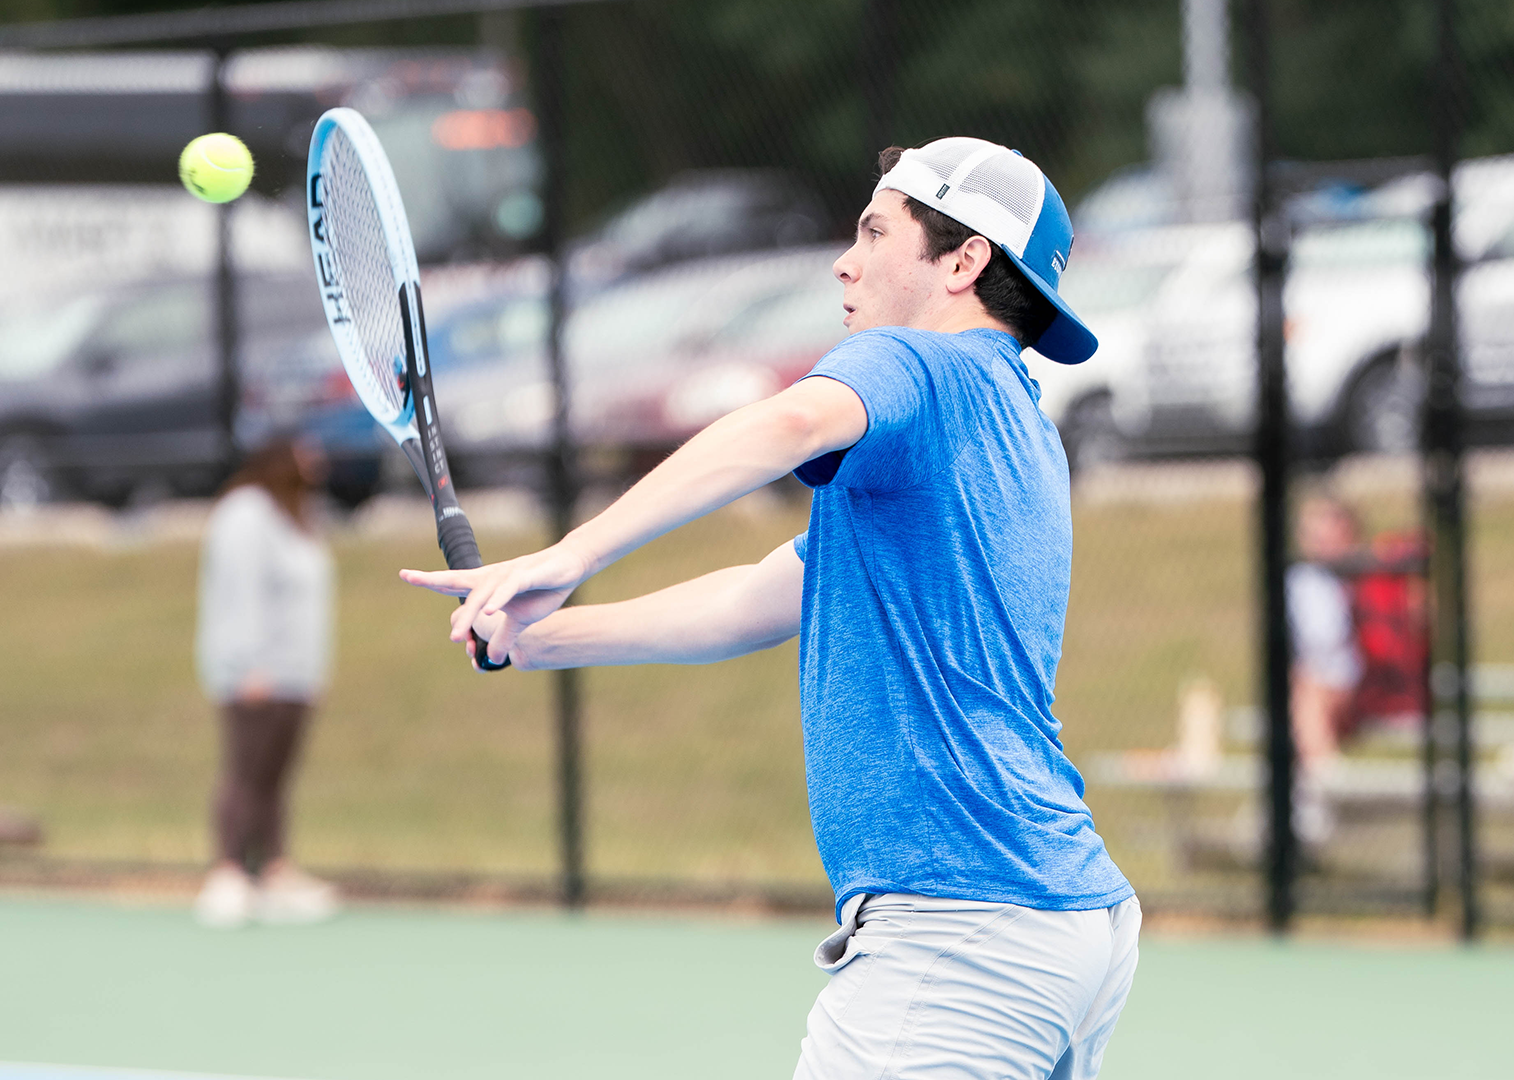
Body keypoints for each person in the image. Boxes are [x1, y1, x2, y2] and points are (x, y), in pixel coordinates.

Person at [403, 138, 1138, 1079]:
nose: (845, 259)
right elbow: (760, 595)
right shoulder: (1012, 429)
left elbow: (789, 422)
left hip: (963, 927)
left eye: (876, 231)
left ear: (963, 263)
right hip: (1071, 921)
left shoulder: (913, 366)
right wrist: (537, 637)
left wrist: (571, 551)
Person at [193, 438, 339, 929]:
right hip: (255, 675)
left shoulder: (298, 515)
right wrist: (247, 664)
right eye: (306, 452)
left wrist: (310, 672)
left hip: (296, 674)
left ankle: (275, 873)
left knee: (275, 779)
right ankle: (228, 872)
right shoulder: (245, 513)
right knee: (245, 773)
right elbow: (239, 592)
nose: (317, 461)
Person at [1287, 494, 1364, 845]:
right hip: (1315, 683)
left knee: (1307, 695)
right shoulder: (1301, 581)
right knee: (1306, 693)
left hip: (1357, 686)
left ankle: (1323, 786)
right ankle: (1321, 784)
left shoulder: (1368, 579)